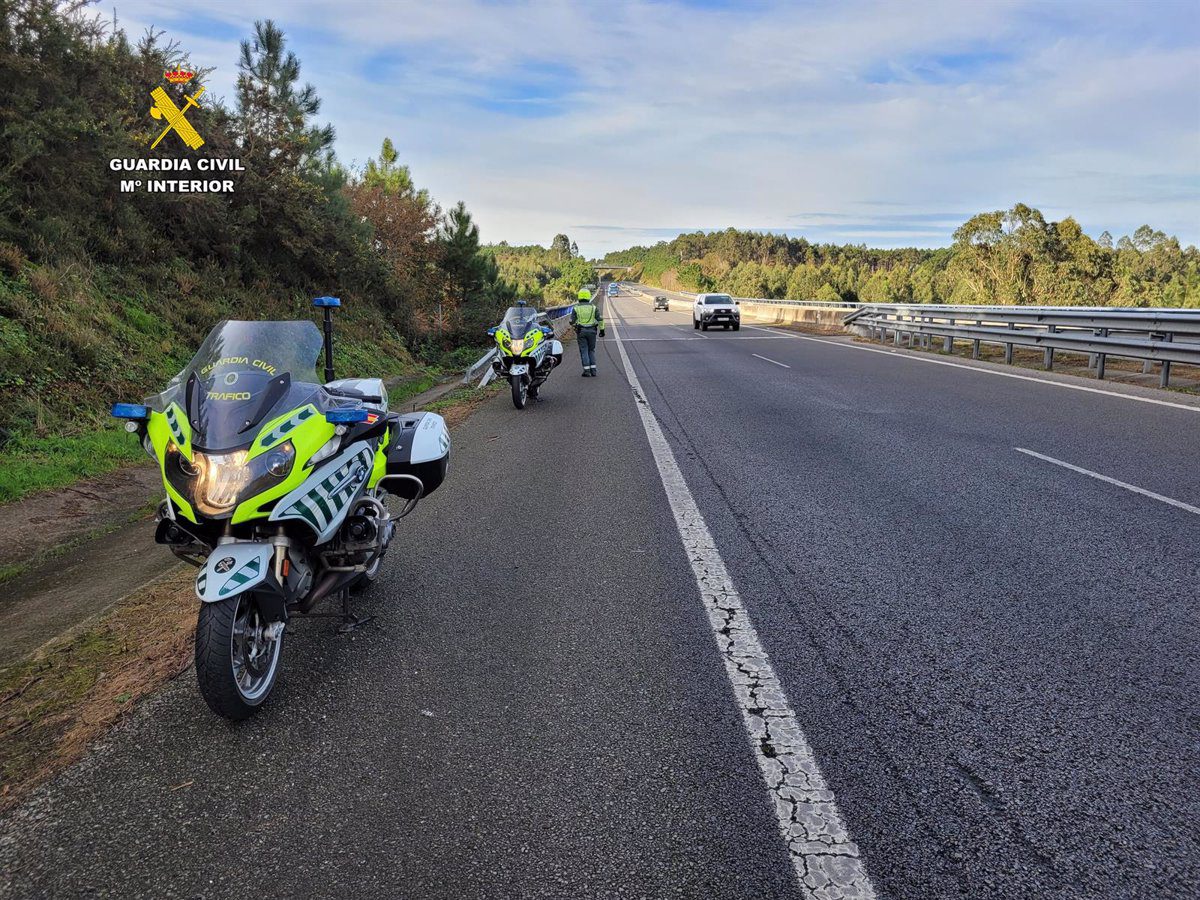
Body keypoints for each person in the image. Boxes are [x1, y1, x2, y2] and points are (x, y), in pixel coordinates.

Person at [570, 288, 605, 377]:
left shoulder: (576, 308)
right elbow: (600, 320)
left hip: (581, 332)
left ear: (579, 296)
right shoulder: (594, 308)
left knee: (584, 350)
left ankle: (587, 371)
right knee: (591, 350)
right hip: (592, 331)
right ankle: (593, 371)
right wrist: (602, 330)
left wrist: (574, 325)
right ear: (589, 296)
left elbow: (572, 321)